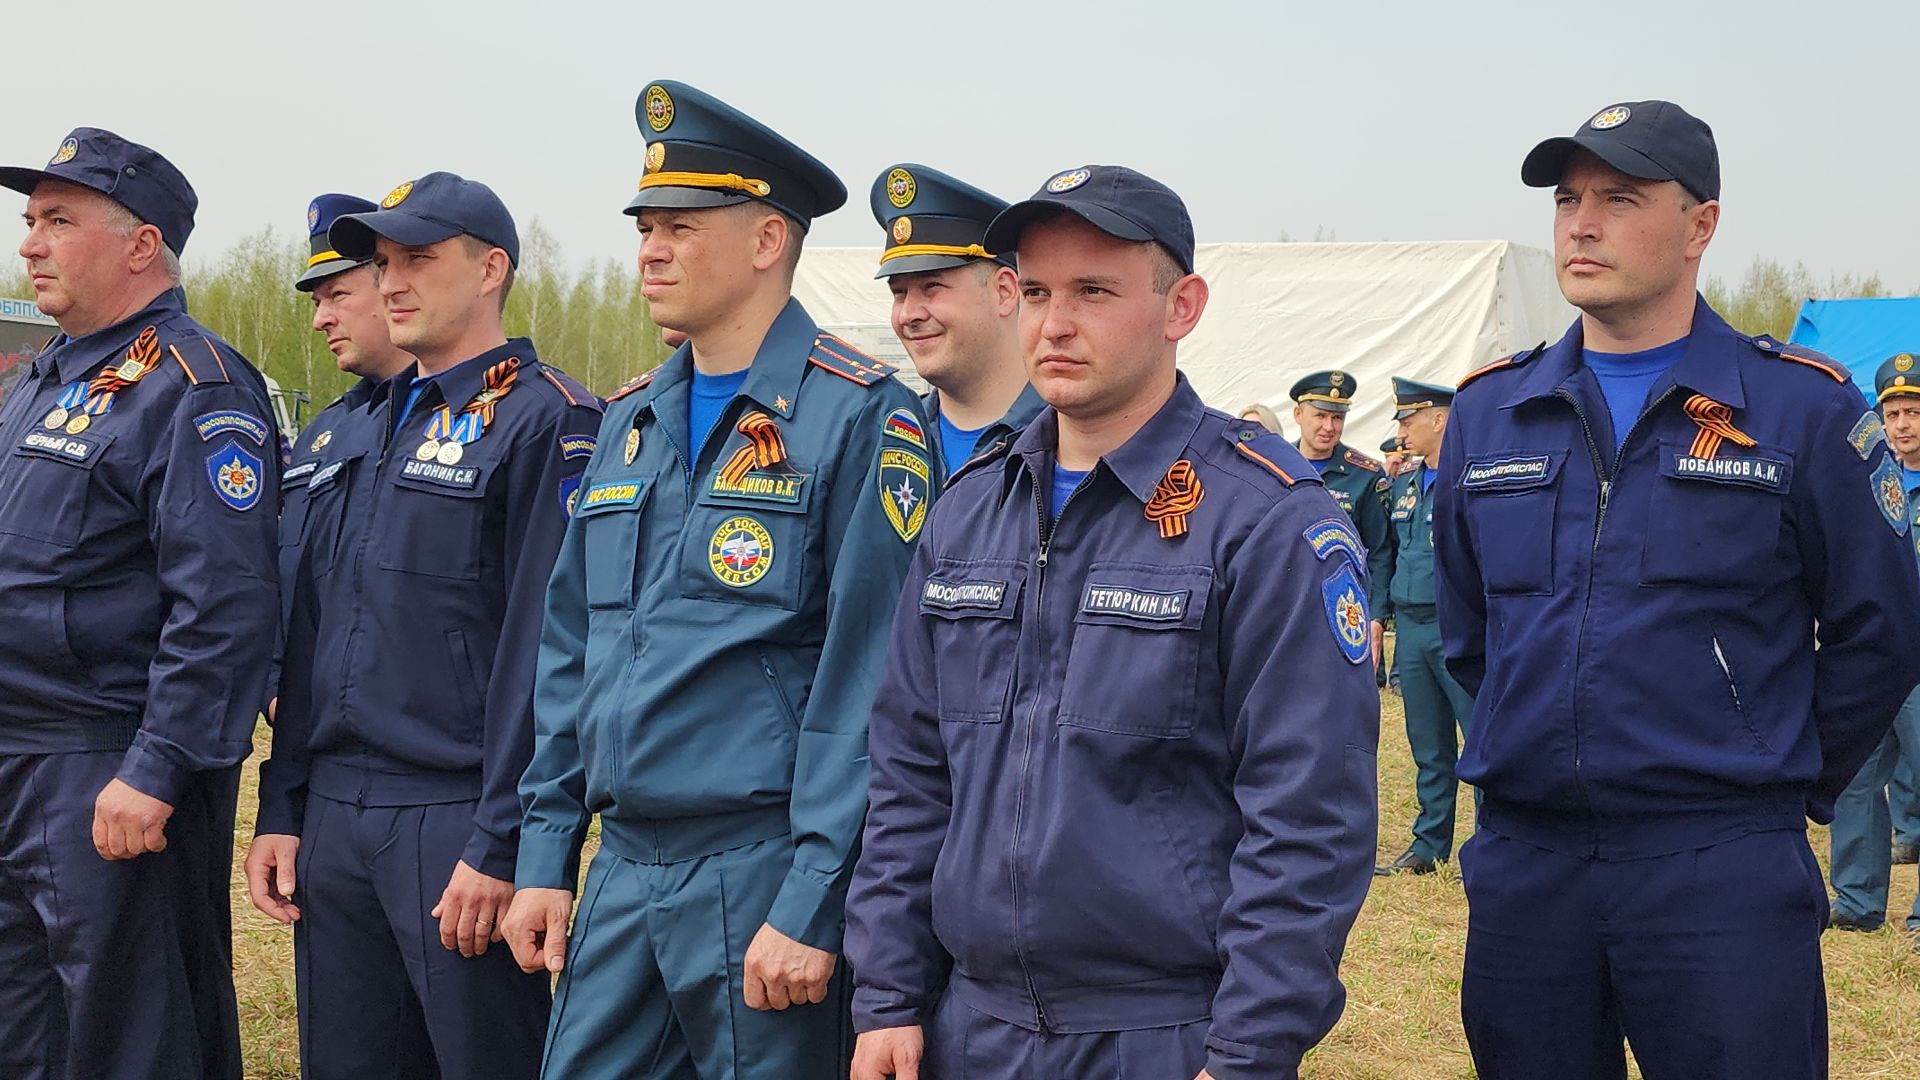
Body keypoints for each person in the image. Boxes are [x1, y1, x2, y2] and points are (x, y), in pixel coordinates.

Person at [845, 164, 1378, 1080]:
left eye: (1095, 291)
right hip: (969, 1026)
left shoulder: (1265, 518)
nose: (1055, 324)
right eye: (1037, 290)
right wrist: (888, 995)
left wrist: (1250, 1048)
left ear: (1184, 307)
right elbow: (910, 775)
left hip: (1163, 1034)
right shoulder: (972, 510)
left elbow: (1308, 817)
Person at [1434, 100, 1920, 1079]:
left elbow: (1884, 627)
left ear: (1701, 226)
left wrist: (1777, 766)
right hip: (1529, 869)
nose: (1581, 222)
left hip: (1719, 869)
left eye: (1620, 197)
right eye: (1568, 199)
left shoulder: (1800, 409)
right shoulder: (1491, 414)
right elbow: (1471, 629)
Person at [500, 80, 928, 1080]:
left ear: (768, 241)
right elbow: (573, 648)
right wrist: (546, 855)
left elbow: (874, 680)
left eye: (681, 227)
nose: (650, 249)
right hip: (625, 866)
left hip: (759, 865)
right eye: (646, 226)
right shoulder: (632, 418)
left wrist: (814, 897)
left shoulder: (859, 418)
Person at [249, 172, 599, 1079]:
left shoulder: (546, 418)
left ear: (490, 269)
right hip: (334, 812)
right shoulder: (361, 428)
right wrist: (282, 807)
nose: (393, 281)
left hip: (451, 818)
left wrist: (500, 843)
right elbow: (310, 633)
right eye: (386, 263)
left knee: (482, 1059)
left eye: (419, 259)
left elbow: (542, 649)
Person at [0, 127, 279, 1079]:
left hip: (102, 765)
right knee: (21, 1027)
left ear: (140, 243)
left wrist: (159, 769)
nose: (30, 242)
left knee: (133, 1034)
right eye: (30, 221)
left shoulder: (192, 389)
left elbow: (227, 604)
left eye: (58, 220)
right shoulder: (38, 381)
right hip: (14, 746)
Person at [1824, 353, 1920, 935]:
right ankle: (1858, 903)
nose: (1903, 424)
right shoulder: (1868, 481)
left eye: (1913, 411)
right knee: (1856, 777)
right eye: (1893, 413)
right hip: (1873, 654)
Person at [871, 163, 1042, 478]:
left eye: (931, 287)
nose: (909, 314)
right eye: (899, 292)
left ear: (1005, 291)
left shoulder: (1065, 438)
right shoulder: (884, 438)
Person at [1373, 377, 1475, 875]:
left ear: (1440, 420)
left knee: (1478, 742)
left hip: (1456, 625)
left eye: (1409, 420)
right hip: (1410, 627)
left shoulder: (1471, 476)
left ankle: (1488, 845)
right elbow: (1387, 552)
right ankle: (1429, 846)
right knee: (1428, 745)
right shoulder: (1406, 483)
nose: (1402, 430)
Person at [1289, 371, 1392, 652]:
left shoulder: (1365, 475)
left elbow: (1380, 551)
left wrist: (1376, 617)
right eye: (1320, 416)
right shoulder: (1277, 466)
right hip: (1288, 606)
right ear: (1298, 414)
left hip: (1346, 609)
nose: (1329, 427)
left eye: (1337, 418)